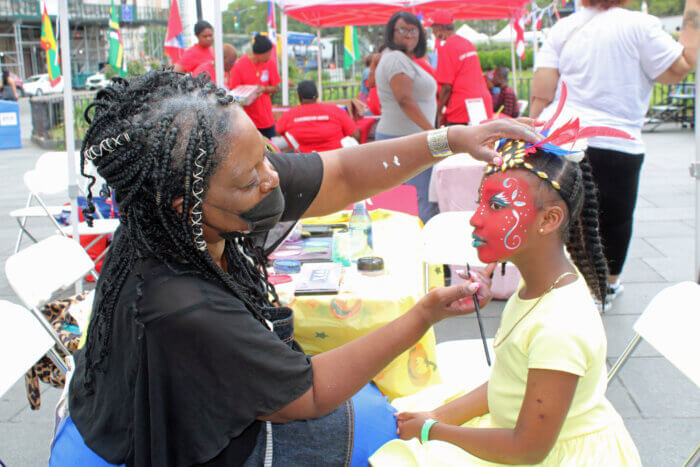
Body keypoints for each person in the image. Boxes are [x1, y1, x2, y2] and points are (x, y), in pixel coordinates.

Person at [47, 70, 540, 466]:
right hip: (154, 442)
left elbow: (343, 172)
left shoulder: (210, 178)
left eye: (266, 157)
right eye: (249, 180)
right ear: (184, 204)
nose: (270, 179)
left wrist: (451, 138)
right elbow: (306, 395)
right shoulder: (179, 303)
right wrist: (421, 316)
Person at [371, 125, 641, 466]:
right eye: (480, 202)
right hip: (515, 432)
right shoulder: (542, 282)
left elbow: (527, 449)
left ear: (549, 219)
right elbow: (510, 382)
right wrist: (439, 415)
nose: (476, 219)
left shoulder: (560, 327)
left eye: (496, 205)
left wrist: (434, 430)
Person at [530, 0, 700, 307]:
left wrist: (533, 137)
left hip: (562, 137)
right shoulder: (639, 25)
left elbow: (541, 90)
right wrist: (694, 10)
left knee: (559, 213)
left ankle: (556, 282)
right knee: (615, 218)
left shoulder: (563, 27)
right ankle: (603, 288)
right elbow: (680, 66)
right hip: (617, 140)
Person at [375, 11, 438, 223]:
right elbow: (404, 99)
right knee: (418, 203)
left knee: (413, 202)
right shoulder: (395, 59)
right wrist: (432, 131)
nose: (409, 35)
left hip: (405, 138)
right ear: (392, 32)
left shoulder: (399, 58)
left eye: (413, 30)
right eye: (403, 30)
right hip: (407, 140)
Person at [428, 9, 493, 127]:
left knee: (456, 144)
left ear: (439, 28)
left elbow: (447, 86)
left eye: (433, 29)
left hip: (462, 107)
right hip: (482, 103)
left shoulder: (447, 47)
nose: (433, 32)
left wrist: (439, 111)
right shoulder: (467, 43)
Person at [276, 80, 359, 152]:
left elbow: (277, 132)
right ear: (317, 96)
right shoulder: (336, 111)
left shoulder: (289, 115)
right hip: (334, 160)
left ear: (299, 97)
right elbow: (356, 134)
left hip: (304, 162)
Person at [229, 34, 281, 139]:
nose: (270, 56)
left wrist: (264, 89)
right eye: (268, 54)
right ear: (259, 54)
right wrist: (248, 93)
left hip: (267, 120)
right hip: (248, 121)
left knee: (268, 151)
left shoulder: (269, 64)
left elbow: (275, 88)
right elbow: (233, 93)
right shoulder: (239, 66)